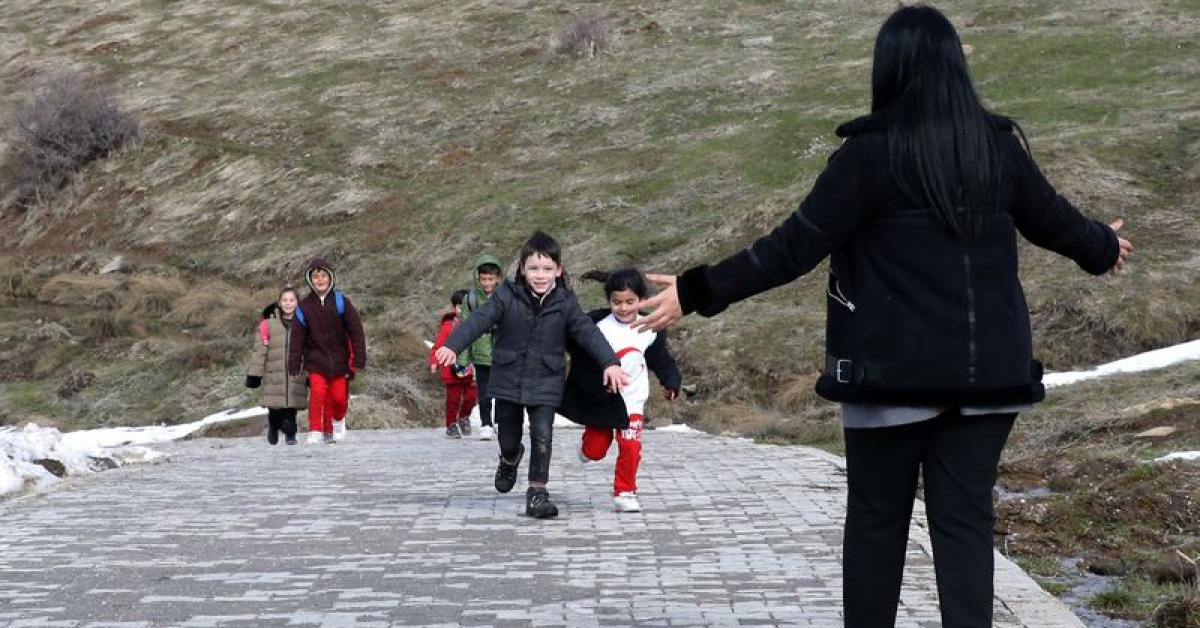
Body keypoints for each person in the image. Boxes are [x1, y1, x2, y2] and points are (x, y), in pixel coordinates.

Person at [634, 5, 1133, 627]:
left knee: (876, 524)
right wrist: (1103, 246)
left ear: (889, 69)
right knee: (964, 529)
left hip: (888, 379)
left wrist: (696, 289)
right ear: (955, 66)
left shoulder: (868, 155)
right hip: (986, 381)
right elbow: (1058, 223)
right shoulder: (996, 147)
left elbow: (790, 248)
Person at [434, 230, 628, 519]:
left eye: (547, 269)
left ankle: (537, 492)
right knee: (509, 436)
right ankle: (510, 457)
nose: (540, 275)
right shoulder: (505, 296)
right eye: (534, 268)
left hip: (547, 379)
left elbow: (589, 334)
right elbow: (479, 320)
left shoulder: (566, 302)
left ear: (558, 270)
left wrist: (610, 363)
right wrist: (453, 344)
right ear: (522, 269)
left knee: (542, 435)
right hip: (508, 377)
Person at [560, 269, 682, 513]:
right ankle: (586, 448)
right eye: (617, 302)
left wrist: (671, 382)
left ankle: (625, 491)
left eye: (630, 302)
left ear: (641, 300)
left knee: (630, 446)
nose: (623, 308)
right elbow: (567, 340)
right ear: (609, 301)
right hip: (602, 399)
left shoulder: (651, 327)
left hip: (632, 400)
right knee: (595, 450)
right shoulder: (595, 324)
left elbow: (661, 360)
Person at [288, 257, 367, 445]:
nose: (320, 280)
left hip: (340, 362)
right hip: (316, 360)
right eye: (316, 277)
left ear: (330, 278)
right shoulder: (304, 307)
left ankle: (338, 421)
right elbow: (297, 338)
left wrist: (359, 358)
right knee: (317, 393)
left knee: (338, 398)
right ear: (310, 280)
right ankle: (316, 430)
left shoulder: (342, 302)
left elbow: (356, 331)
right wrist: (294, 364)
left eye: (323, 276)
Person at [245, 286, 308, 445]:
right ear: (279, 303)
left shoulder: (304, 323)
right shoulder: (268, 324)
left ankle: (290, 435)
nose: (288, 303)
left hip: (296, 372)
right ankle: (273, 426)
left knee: (290, 408)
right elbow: (259, 351)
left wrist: (311, 373)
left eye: (292, 300)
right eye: (285, 300)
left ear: (297, 302)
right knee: (275, 407)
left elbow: (310, 350)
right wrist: (254, 374)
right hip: (274, 373)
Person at [458, 254, 503, 440]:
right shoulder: (470, 299)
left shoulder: (506, 296)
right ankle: (486, 423)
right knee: (484, 391)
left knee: (503, 391)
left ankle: (501, 421)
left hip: (502, 351)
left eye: (491, 279)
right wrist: (462, 359)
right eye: (483, 278)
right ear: (478, 277)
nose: (487, 283)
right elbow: (465, 329)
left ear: (498, 278)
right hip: (480, 352)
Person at [429, 289, 477, 439]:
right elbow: (439, 345)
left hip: (471, 368)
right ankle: (451, 424)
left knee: (472, 396)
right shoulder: (449, 325)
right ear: (454, 308)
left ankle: (464, 417)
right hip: (452, 368)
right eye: (459, 307)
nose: (463, 310)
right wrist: (434, 361)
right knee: (453, 399)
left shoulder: (477, 323)